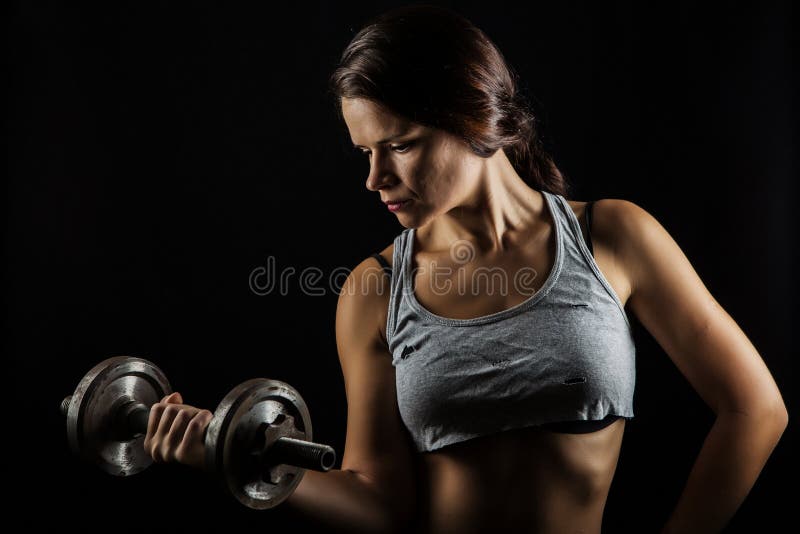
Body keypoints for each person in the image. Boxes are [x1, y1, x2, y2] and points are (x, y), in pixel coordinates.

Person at [143, 5, 788, 533]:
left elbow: (755, 408)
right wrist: (232, 452)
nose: (374, 178)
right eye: (364, 151)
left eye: (399, 146)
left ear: (473, 118)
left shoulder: (611, 236)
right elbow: (381, 504)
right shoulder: (373, 290)